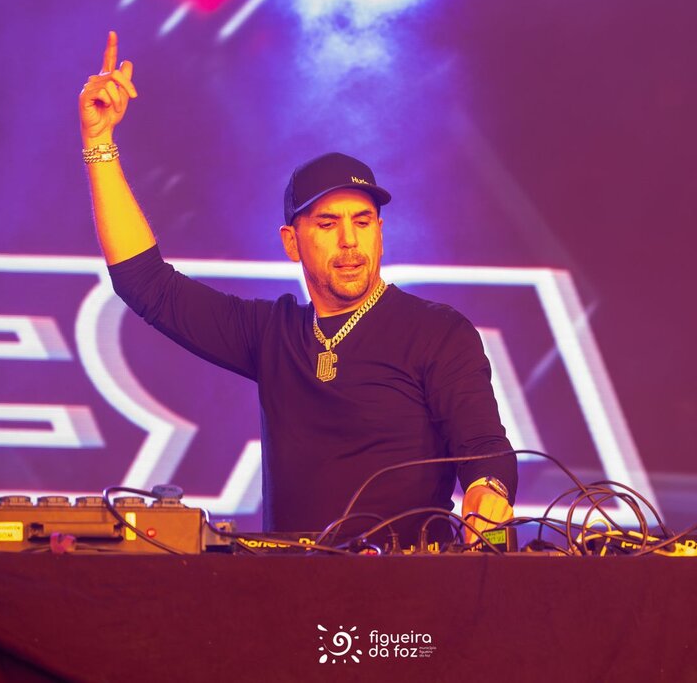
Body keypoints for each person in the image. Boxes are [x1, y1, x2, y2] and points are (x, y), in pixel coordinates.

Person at [79, 31, 517, 548]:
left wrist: (487, 491)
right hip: (288, 585)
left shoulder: (437, 332)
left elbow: (484, 446)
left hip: (406, 583)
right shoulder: (273, 333)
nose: (350, 240)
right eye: (328, 224)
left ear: (380, 232)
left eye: (363, 222)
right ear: (292, 241)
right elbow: (146, 283)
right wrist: (99, 143)